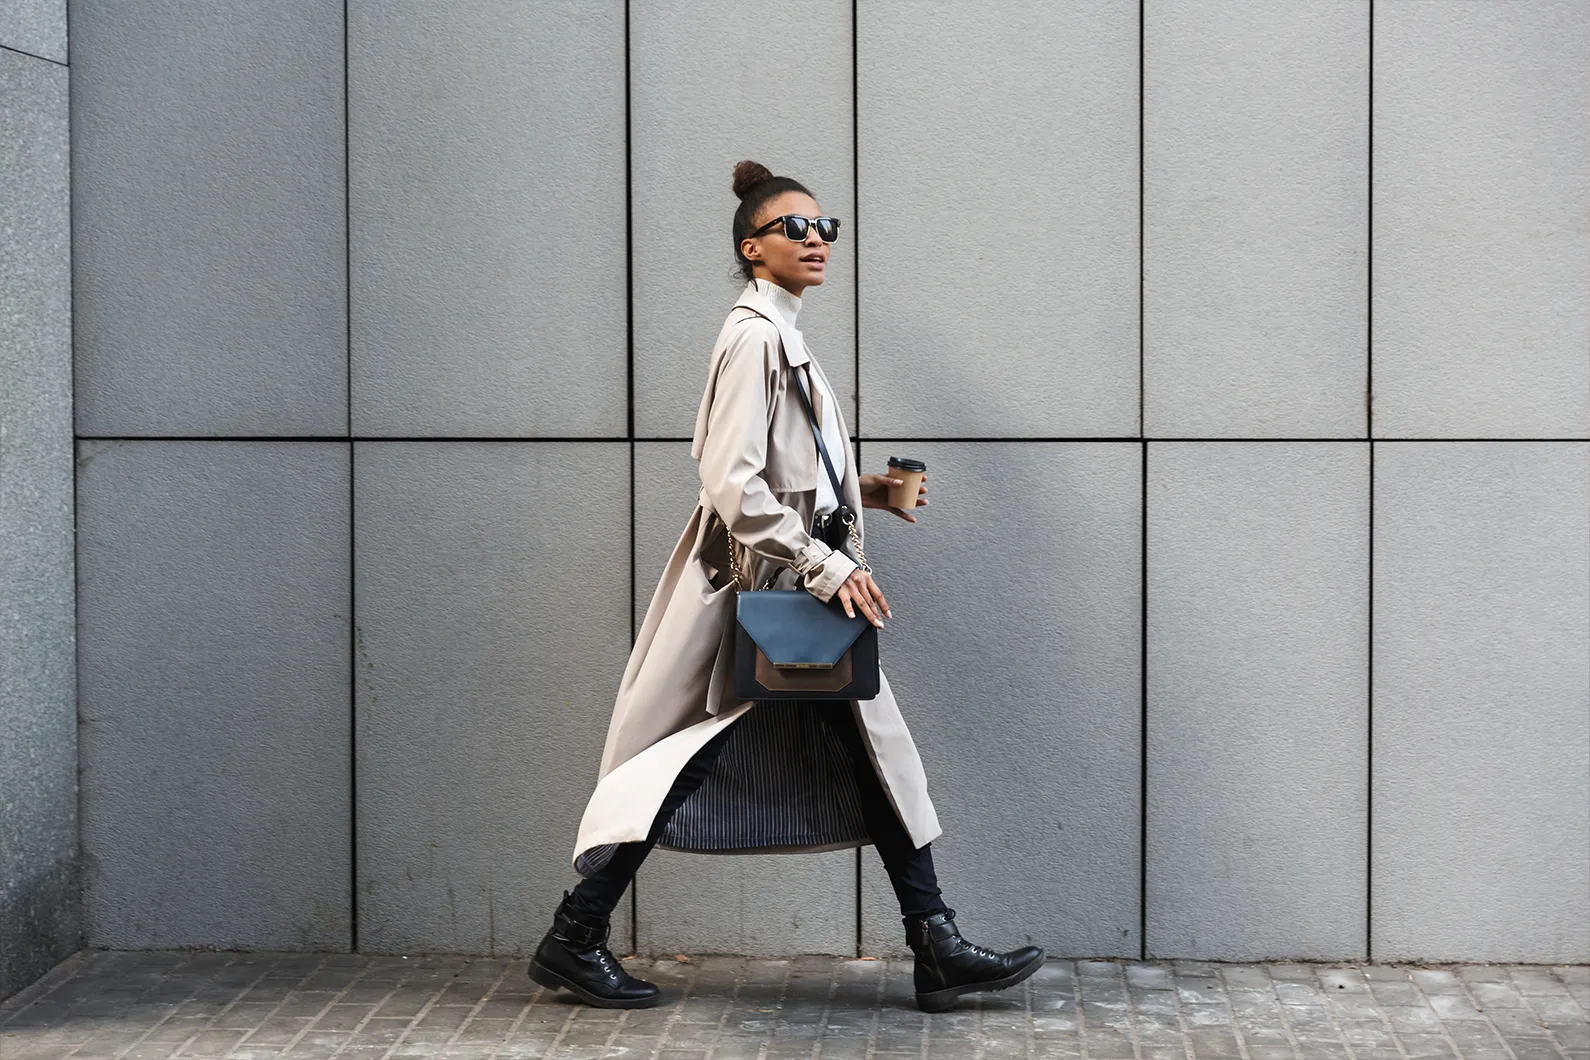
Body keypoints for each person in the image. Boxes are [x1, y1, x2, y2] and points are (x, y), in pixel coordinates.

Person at [527, 160, 1044, 1013]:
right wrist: (826, 562)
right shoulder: (755, 336)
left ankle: (935, 941)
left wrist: (866, 491)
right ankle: (575, 937)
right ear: (753, 247)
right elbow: (731, 481)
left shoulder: (781, 334)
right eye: (795, 229)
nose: (816, 240)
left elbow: (779, 468)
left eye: (825, 228)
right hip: (765, 589)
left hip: (792, 587)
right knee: (692, 755)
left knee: (873, 754)